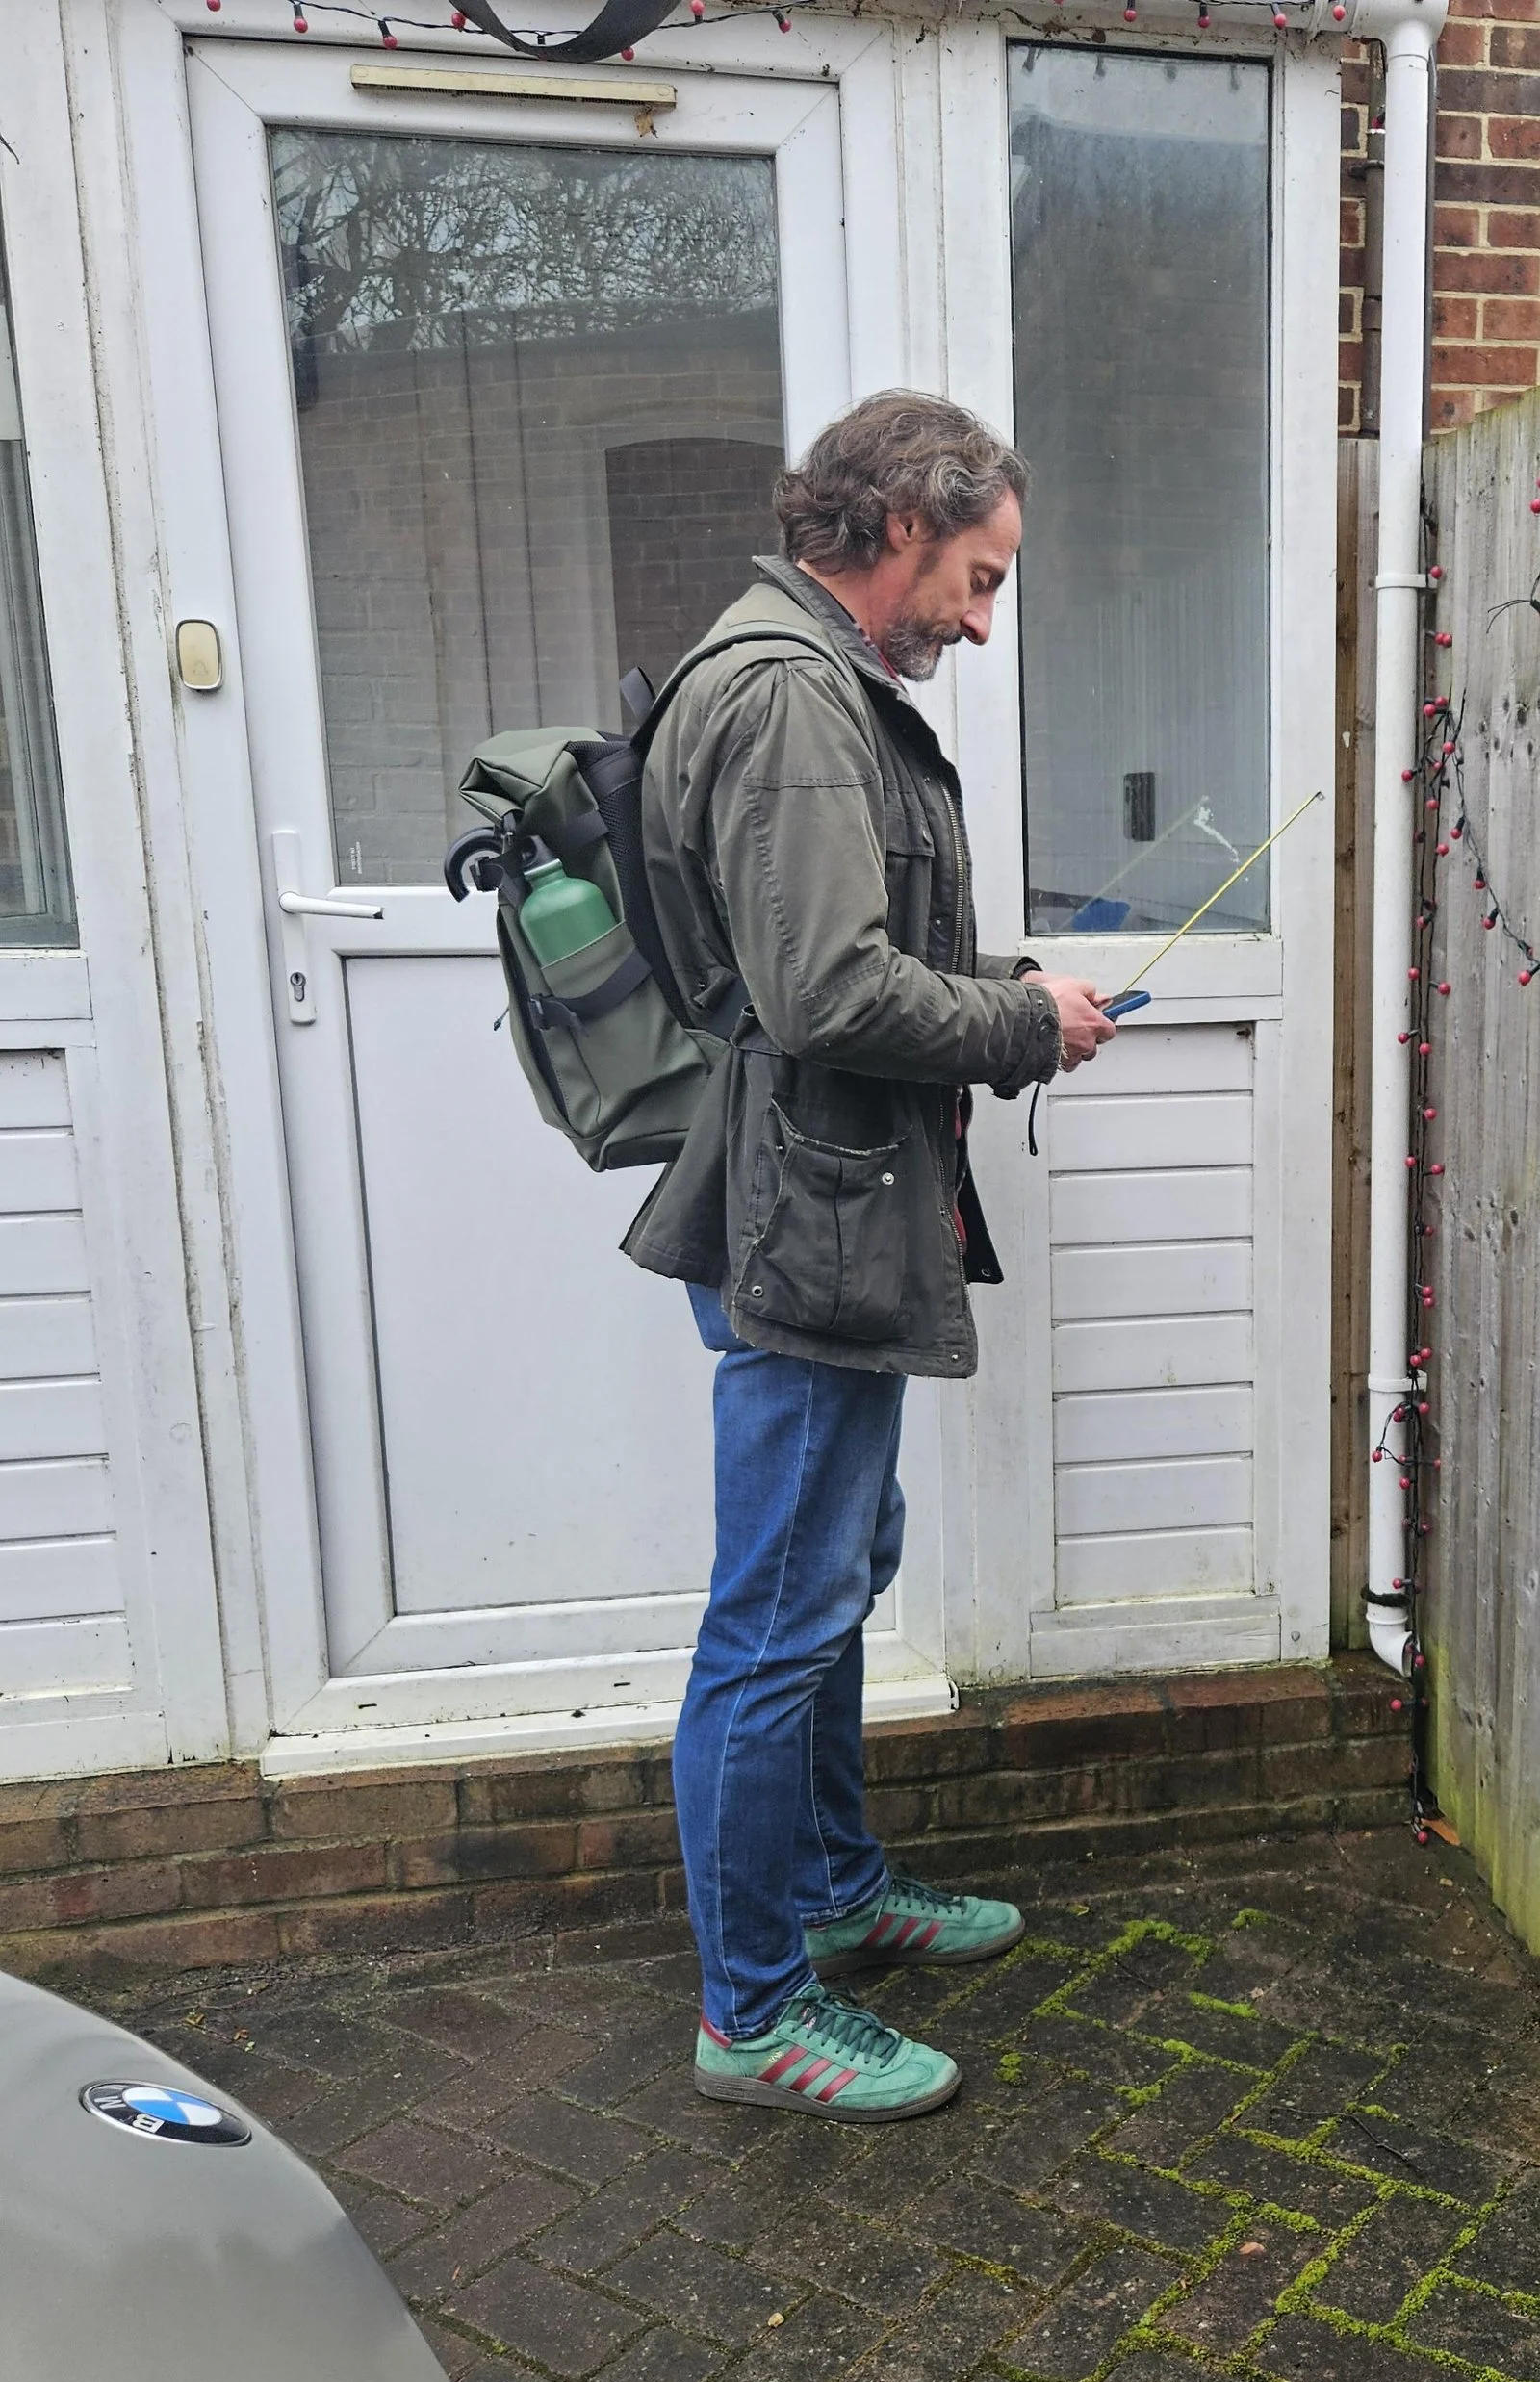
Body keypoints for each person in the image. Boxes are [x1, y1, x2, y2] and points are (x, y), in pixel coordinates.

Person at [625, 391, 1116, 2121]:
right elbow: (826, 990)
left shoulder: (810, 683)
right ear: (899, 526)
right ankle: (754, 2010)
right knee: (772, 1617)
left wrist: (1000, 1006)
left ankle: (833, 1896)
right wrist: (1022, 1022)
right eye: (976, 579)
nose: (981, 621)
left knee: (827, 1574)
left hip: (820, 1198)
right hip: (803, 1214)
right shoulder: (789, 698)